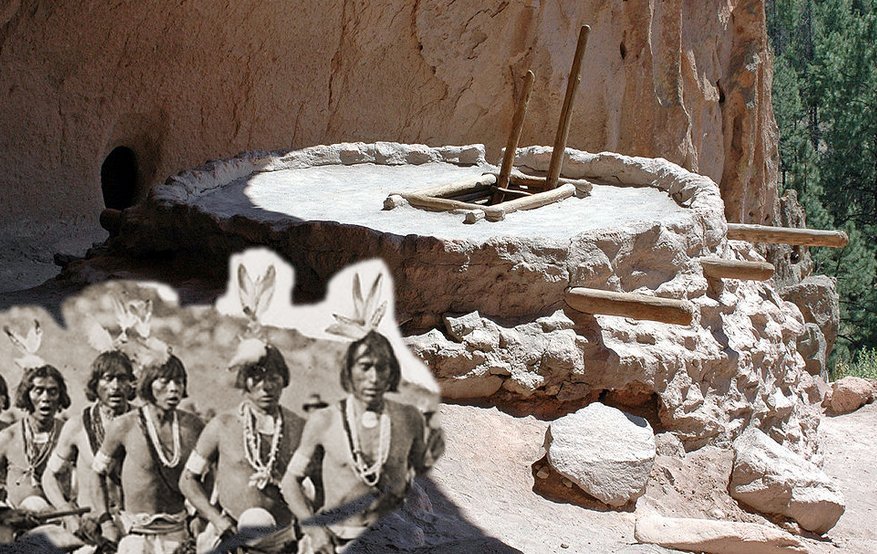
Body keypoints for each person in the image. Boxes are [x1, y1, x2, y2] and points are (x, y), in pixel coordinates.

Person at [280, 331, 442, 553]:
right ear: (349, 372)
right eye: (365, 367)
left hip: (387, 531)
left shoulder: (407, 418)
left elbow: (409, 475)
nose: (373, 377)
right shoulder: (324, 420)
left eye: (381, 368)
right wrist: (314, 529)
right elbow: (290, 481)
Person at [179, 342, 306, 553]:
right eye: (257, 378)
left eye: (273, 378)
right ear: (244, 382)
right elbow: (188, 480)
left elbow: (321, 483)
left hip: (283, 542)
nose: (266, 386)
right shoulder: (222, 425)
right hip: (231, 539)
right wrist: (215, 519)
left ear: (284, 380)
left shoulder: (299, 427)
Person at [92, 353, 203, 553]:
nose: (173, 388)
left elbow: (208, 474)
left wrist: (199, 515)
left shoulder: (193, 426)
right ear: (148, 384)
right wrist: (106, 521)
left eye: (178, 382)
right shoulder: (123, 426)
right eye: (165, 381)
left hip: (178, 533)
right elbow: (98, 473)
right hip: (135, 533)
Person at [42, 350, 136, 539]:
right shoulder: (77, 426)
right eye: (108, 378)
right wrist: (68, 514)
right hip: (91, 526)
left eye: (122, 378)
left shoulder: (142, 423)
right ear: (95, 384)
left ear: (131, 383)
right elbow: (49, 476)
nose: (115, 386)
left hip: (136, 525)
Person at [0, 365, 71, 511]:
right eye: (38, 391)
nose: (45, 398)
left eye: (52, 392)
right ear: (26, 396)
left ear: (60, 396)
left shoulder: (68, 433)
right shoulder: (8, 436)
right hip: (16, 518)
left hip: (60, 515)